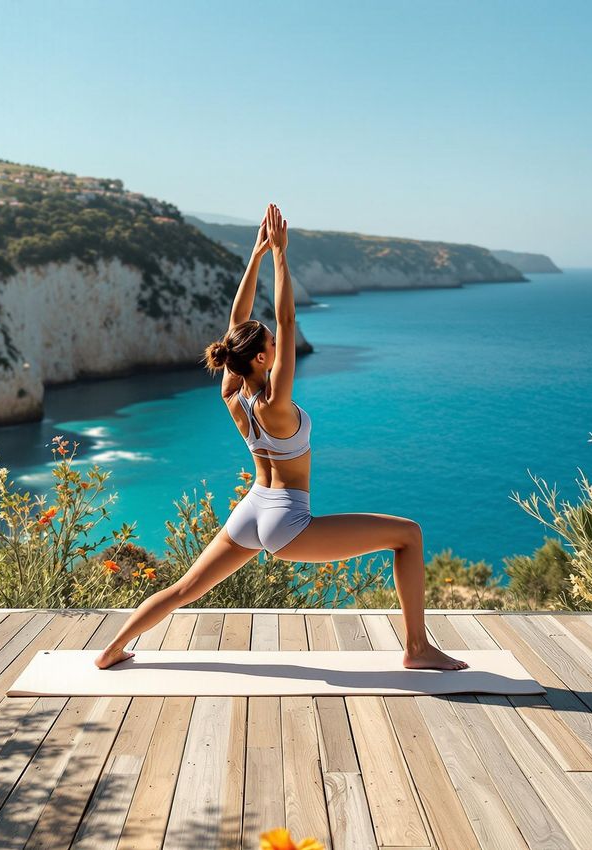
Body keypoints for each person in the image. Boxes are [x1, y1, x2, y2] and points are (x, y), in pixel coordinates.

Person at [94, 204, 467, 671]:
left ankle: (113, 649)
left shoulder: (233, 394)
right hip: (288, 521)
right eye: (269, 345)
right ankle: (417, 648)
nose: (277, 344)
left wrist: (255, 255)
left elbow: (238, 322)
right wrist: (281, 257)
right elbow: (289, 322)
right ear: (260, 359)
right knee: (408, 535)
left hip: (252, 509)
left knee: (184, 590)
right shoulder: (276, 403)